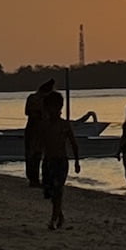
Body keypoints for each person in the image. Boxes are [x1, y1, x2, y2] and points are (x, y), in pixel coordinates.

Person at [39, 91, 80, 230]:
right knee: (50, 192)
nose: (52, 110)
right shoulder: (44, 125)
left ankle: (53, 219)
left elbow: (74, 143)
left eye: (54, 107)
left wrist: (77, 161)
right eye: (49, 107)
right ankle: (60, 214)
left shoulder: (65, 125)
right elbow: (39, 143)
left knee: (58, 190)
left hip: (61, 161)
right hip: (48, 161)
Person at [23, 78, 54, 187]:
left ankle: (35, 179)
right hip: (35, 130)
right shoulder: (38, 99)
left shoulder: (35, 98)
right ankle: (34, 179)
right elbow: (29, 113)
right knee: (35, 155)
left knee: (35, 155)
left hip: (38, 130)